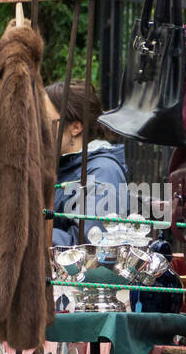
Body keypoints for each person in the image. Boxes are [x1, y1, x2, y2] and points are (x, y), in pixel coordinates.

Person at [45, 81, 130, 247]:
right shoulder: (61, 163)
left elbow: (88, 244)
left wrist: (25, 232)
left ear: (75, 127)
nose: (36, 128)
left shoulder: (103, 172)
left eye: (44, 120)